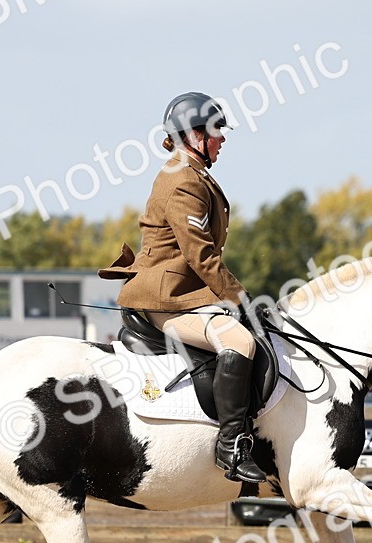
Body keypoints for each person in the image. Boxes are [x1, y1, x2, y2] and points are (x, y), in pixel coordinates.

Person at [98, 91, 264, 483]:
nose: (222, 138)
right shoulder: (182, 182)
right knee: (241, 343)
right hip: (166, 300)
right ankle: (232, 444)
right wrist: (244, 302)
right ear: (193, 134)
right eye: (216, 130)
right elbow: (201, 257)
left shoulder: (192, 174)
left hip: (184, 296)